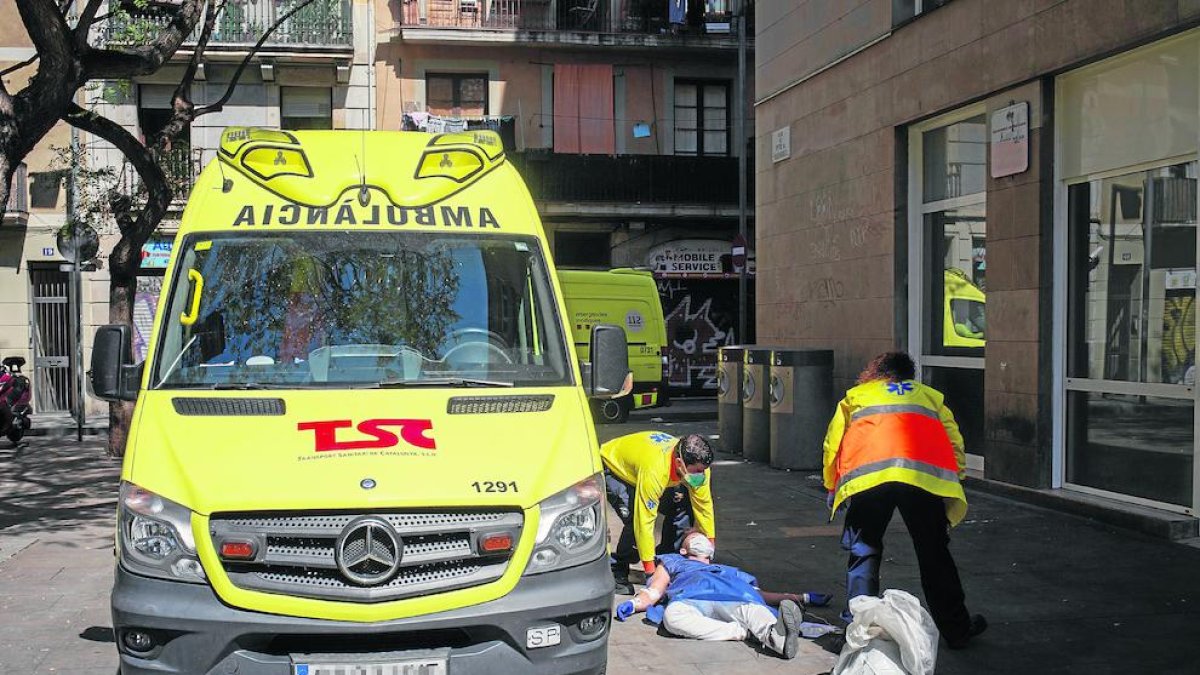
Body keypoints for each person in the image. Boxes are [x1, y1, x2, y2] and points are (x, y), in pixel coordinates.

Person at [822, 351, 987, 649]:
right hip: (920, 480)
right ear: (908, 374)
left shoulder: (856, 397)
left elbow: (832, 443)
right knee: (934, 554)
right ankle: (957, 629)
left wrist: (831, 484)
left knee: (864, 552)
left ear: (876, 371)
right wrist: (955, 478)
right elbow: (954, 441)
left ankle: (859, 630)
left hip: (869, 479)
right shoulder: (930, 397)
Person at [614, 531, 830, 659]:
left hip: (734, 596)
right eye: (694, 538)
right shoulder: (674, 561)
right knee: (673, 617)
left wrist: (801, 597)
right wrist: (635, 604)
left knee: (755, 609)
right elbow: (655, 590)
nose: (700, 539)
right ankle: (743, 632)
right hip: (691, 598)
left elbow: (760, 595)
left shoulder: (728, 571)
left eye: (702, 538)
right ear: (683, 550)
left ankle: (777, 639)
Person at [601, 432, 715, 594]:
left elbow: (704, 508)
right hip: (615, 467)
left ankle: (667, 561)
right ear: (679, 463)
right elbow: (644, 521)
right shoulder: (656, 470)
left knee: (682, 505)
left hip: (647, 466)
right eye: (697, 471)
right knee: (634, 518)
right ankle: (617, 569)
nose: (701, 475)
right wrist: (650, 573)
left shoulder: (700, 467)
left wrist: (709, 549)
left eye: (703, 470)